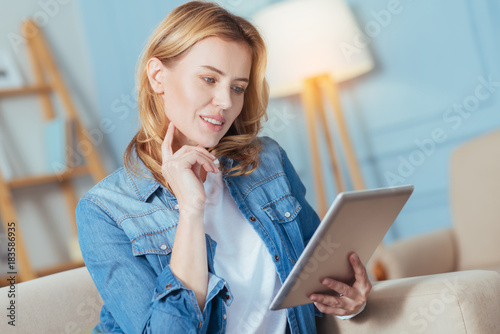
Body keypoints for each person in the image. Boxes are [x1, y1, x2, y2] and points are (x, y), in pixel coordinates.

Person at [76, 1, 371, 333]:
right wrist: (191, 209)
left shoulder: (267, 162)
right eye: (208, 79)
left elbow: (318, 279)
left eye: (237, 87)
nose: (226, 102)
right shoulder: (105, 210)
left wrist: (349, 301)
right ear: (158, 76)